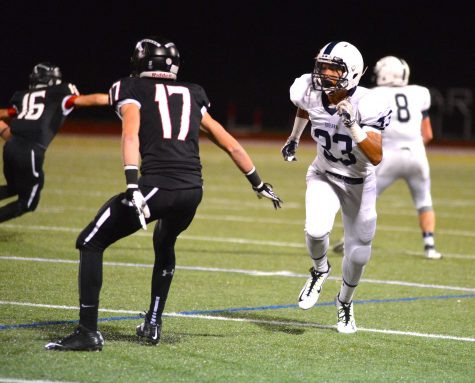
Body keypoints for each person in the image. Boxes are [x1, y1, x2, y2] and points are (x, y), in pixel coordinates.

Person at [45, 36, 282, 351]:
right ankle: (153, 322)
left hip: (158, 186)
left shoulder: (131, 89)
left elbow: (129, 134)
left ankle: (87, 332)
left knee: (90, 241)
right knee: (164, 241)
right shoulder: (193, 93)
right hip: (192, 191)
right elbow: (229, 141)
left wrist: (132, 184)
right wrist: (257, 182)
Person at [281, 41, 391, 333]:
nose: (325, 73)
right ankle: (319, 270)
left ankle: (344, 302)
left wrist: (353, 125)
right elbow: (306, 109)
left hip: (359, 182)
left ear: (352, 73)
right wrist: (294, 137)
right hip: (324, 173)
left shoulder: (369, 103)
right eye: (323, 66)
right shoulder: (308, 89)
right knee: (316, 231)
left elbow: (376, 156)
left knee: (359, 254)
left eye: (334, 68)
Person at [332, 56, 441, 259]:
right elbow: (428, 135)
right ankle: (430, 247)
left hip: (387, 157)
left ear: (384, 73)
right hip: (417, 154)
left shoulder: (373, 94)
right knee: (424, 200)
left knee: (365, 198)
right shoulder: (419, 93)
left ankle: (349, 240)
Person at [0, 62, 109, 223]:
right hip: (30, 151)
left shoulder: (23, 97)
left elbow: (5, 114)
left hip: (10, 146)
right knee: (27, 203)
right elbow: (90, 100)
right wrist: (118, 97)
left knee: (14, 187)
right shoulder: (60, 92)